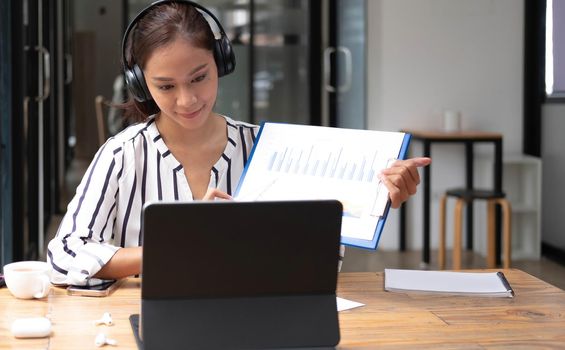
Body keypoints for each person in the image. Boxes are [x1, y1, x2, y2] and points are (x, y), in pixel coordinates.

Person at [47, 0, 431, 286]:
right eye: (165, 86)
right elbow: (63, 255)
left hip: (258, 319)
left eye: (199, 78)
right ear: (140, 83)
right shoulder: (123, 154)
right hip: (153, 322)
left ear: (222, 64)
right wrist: (176, 249)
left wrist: (376, 201)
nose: (187, 100)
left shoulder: (265, 149)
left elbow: (321, 259)